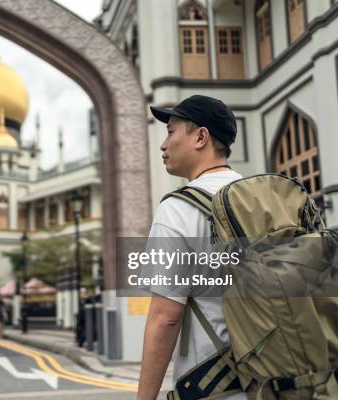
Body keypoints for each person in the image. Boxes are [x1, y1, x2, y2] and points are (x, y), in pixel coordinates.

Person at [137, 95, 245, 400]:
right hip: (278, 382)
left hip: (216, 388)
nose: (163, 144)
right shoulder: (262, 199)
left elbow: (165, 318)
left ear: (201, 137)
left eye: (171, 131)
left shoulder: (179, 209)